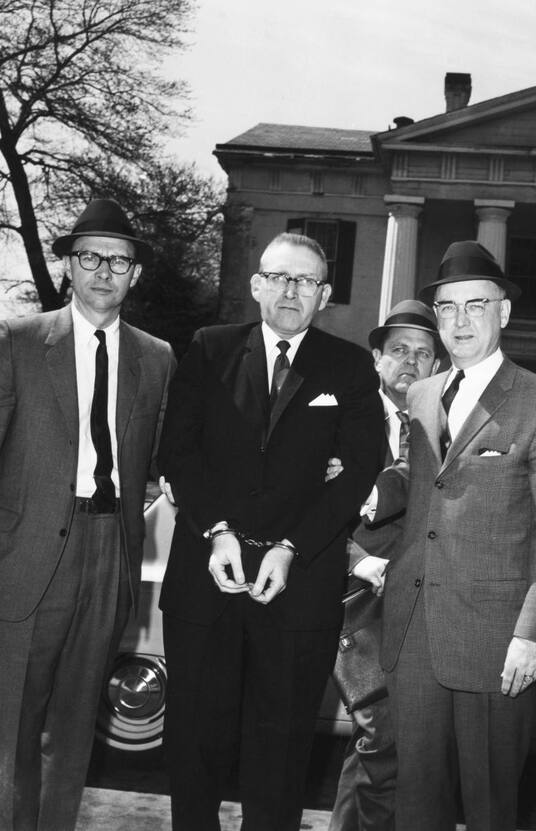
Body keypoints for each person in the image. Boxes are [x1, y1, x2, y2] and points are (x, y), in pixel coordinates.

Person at [0, 198, 176, 831]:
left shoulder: (156, 357)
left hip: (110, 557)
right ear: (68, 267)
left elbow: (174, 454)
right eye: (89, 257)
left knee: (72, 736)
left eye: (119, 260)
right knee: (10, 739)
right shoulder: (19, 341)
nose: (104, 271)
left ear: (136, 274)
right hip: (22, 558)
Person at [157, 232, 384, 831]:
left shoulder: (349, 366)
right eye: (280, 277)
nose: (290, 291)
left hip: (299, 588)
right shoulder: (209, 348)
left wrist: (291, 548)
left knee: (280, 757)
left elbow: (359, 469)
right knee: (194, 746)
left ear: (324, 296)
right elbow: (178, 452)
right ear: (257, 285)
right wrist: (217, 531)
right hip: (206, 581)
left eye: (306, 281)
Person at [366, 240, 536, 831]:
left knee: (490, 806)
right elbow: (419, 477)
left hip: (494, 641)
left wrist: (533, 635)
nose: (459, 321)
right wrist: (367, 491)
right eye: (447, 307)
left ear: (503, 312)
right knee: (416, 804)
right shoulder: (423, 393)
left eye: (475, 305)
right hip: (413, 631)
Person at [329, 300, 441, 831]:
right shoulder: (338, 417)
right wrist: (358, 561)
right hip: (350, 601)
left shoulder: (441, 426)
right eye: (399, 350)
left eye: (423, 353)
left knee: (380, 744)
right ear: (376, 358)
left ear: (437, 365)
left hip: (417, 606)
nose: (410, 362)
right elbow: (301, 510)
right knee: (382, 737)